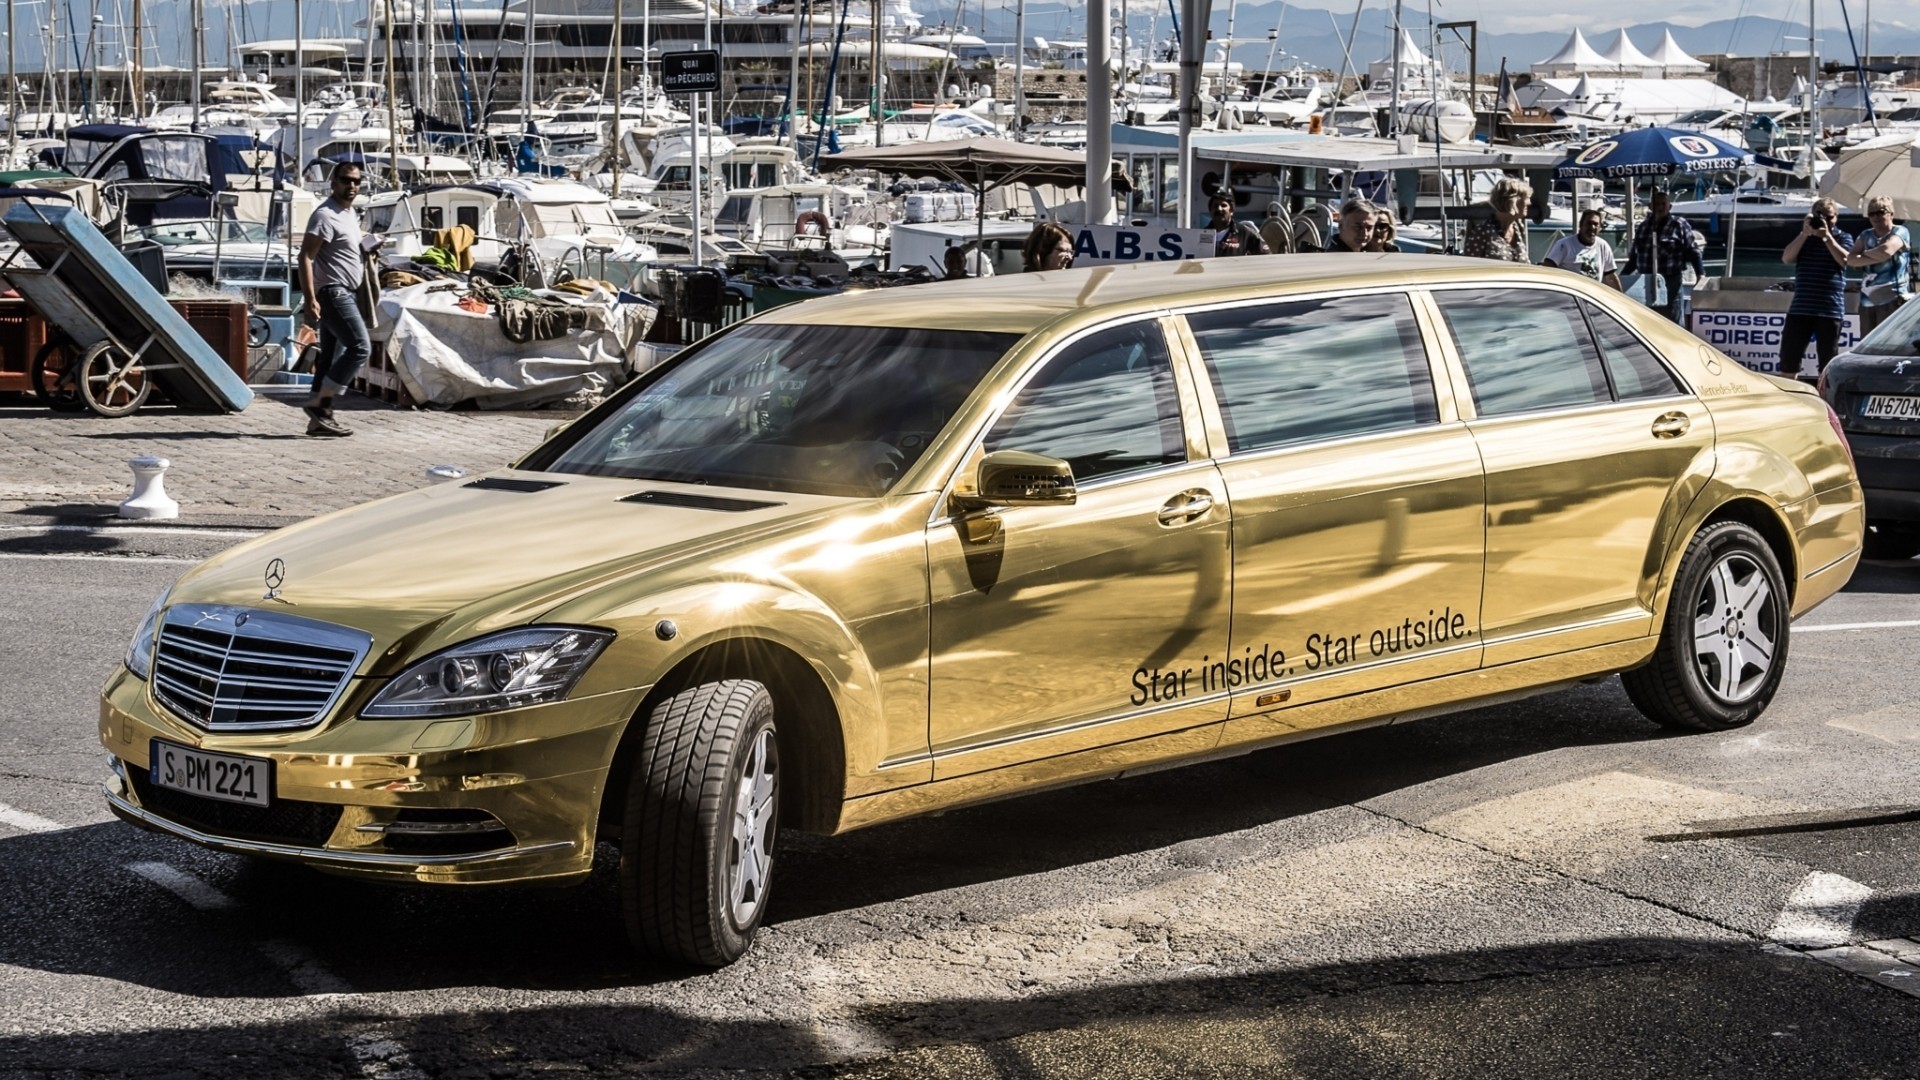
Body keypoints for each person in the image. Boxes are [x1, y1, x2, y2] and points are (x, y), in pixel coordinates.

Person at [298, 162, 375, 437]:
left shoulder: (348, 213)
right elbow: (305, 257)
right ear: (333, 183)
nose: (351, 186)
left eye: (356, 181)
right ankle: (320, 406)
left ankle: (319, 422)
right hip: (333, 292)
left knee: (330, 359)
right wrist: (309, 300)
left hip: (346, 291)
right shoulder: (325, 215)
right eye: (345, 180)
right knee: (360, 347)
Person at [1779, 196, 1854, 381]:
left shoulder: (1842, 237)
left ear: (1836, 217)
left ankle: (1826, 402)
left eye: (1829, 217)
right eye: (1821, 217)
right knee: (1790, 358)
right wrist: (1805, 233)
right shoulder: (1806, 238)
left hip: (1829, 309)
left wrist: (1827, 237)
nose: (1825, 221)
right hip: (1801, 308)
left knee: (1828, 362)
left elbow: (1845, 261)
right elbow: (1787, 258)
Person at [1621, 189, 1704, 322]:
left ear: (1669, 206)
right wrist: (1622, 277)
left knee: (1673, 321)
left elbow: (1693, 251)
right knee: (1649, 321)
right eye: (1656, 204)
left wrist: (1700, 275)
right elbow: (1634, 258)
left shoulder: (1679, 225)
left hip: (1670, 281)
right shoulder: (1643, 227)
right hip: (1645, 281)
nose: (1659, 207)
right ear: (1650, 207)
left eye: (1663, 204)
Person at [1846, 196, 1911, 335]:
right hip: (1867, 302)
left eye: (1880, 212)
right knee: (1867, 347)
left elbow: (1886, 251)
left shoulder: (1900, 231)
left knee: (1889, 347)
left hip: (1893, 299)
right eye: (1871, 214)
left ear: (1891, 214)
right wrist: (1874, 256)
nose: (1876, 217)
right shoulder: (1865, 235)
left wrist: (1863, 256)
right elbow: (1850, 260)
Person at [1542, 208, 1624, 290]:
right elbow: (1547, 268)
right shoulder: (1564, 245)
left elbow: (1610, 277)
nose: (1592, 227)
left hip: (1592, 296)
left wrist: (1621, 299)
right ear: (1581, 225)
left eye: (1595, 224)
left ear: (1599, 228)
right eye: (1589, 223)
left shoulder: (1603, 246)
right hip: (1571, 296)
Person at [1463, 177, 1531, 263]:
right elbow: (1469, 266)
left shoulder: (1518, 227)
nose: (1529, 203)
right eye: (1526, 198)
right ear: (1512, 201)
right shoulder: (1482, 232)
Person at [1205, 191, 1268, 256]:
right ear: (1210, 211)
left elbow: (1266, 255)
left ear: (1231, 211)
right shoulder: (1201, 235)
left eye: (1223, 205)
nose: (1219, 209)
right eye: (1215, 206)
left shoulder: (1245, 233)